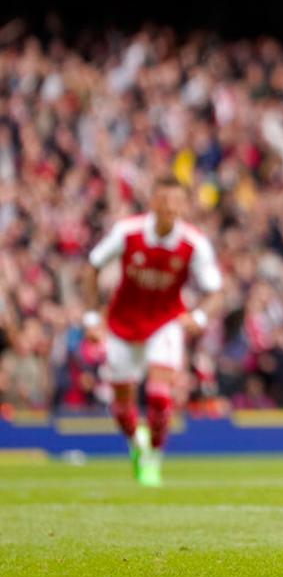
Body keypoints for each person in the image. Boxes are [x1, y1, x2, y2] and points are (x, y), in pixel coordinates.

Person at [81, 175, 223, 487]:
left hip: (165, 322)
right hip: (121, 324)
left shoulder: (193, 243)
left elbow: (216, 291)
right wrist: (92, 318)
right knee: (122, 405)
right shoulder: (128, 232)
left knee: (159, 395)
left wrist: (198, 317)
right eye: (165, 201)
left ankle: (154, 457)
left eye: (177, 202)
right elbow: (92, 266)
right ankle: (136, 443)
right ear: (153, 203)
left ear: (185, 205)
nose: (170, 208)